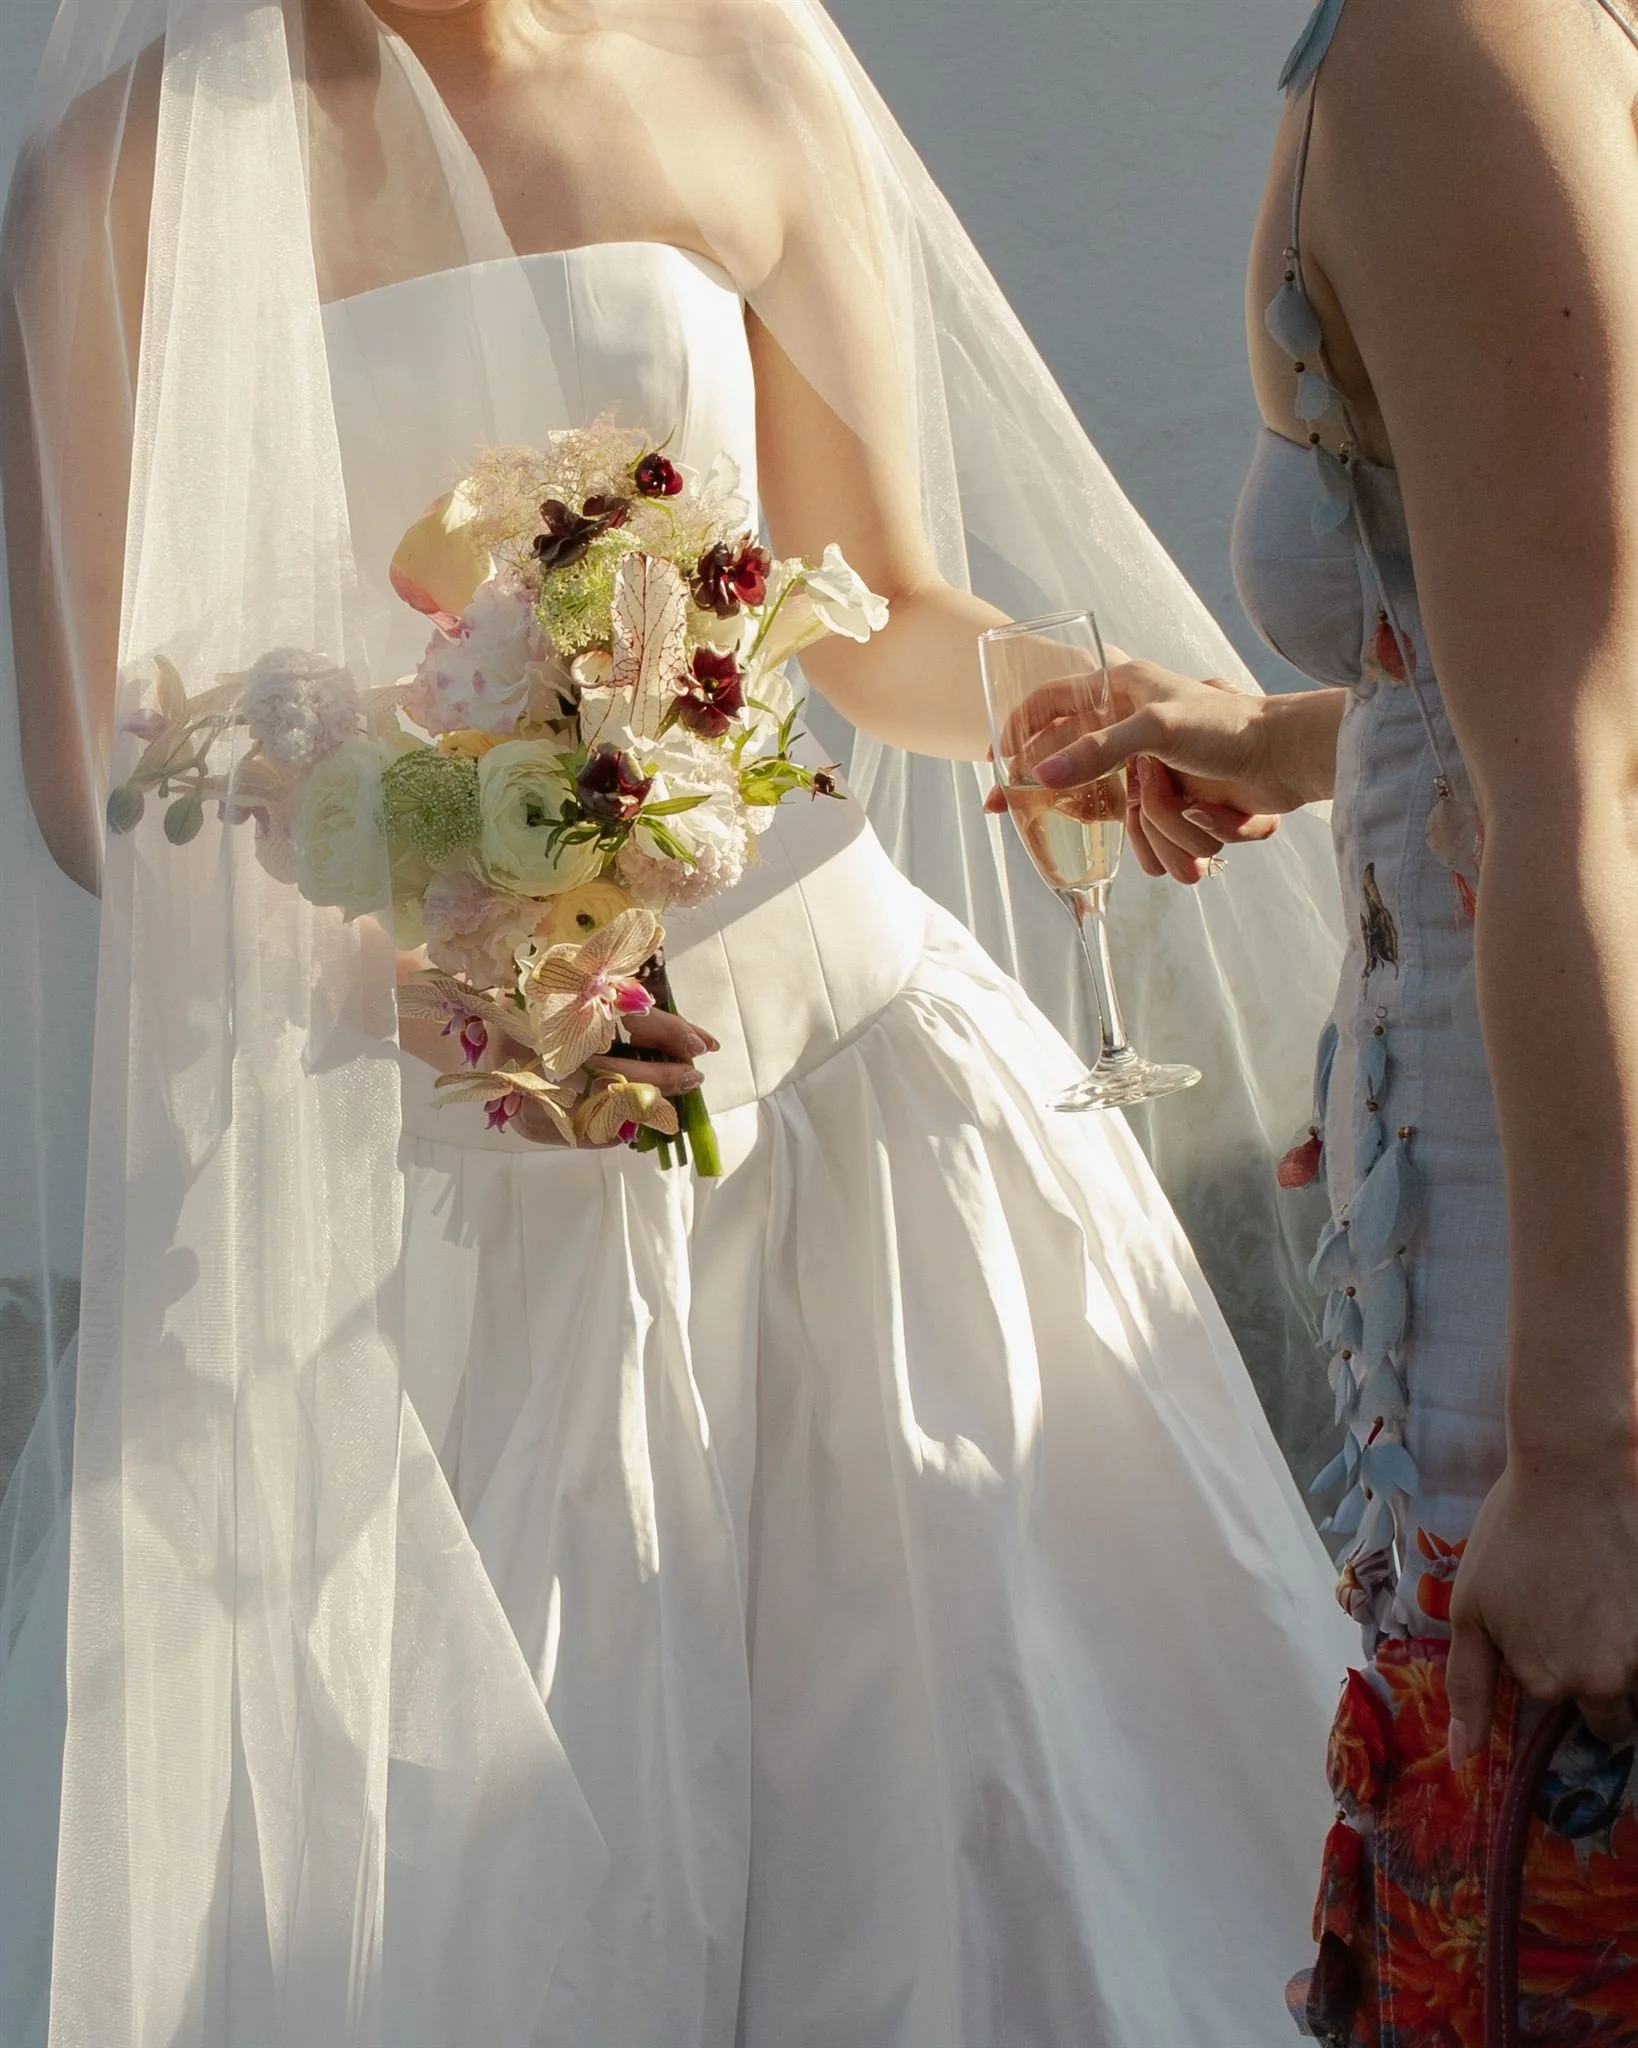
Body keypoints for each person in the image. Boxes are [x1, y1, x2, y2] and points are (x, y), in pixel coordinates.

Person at [0, 2, 1352, 2043]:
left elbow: (877, 612)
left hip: (852, 1096)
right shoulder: (125, 178)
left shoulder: (748, 66)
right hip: (449, 1179)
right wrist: (465, 986)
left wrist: (1077, 706)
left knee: (1026, 1819)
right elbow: (99, 767)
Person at [1007, 0, 1638, 2034]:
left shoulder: (1455, 47)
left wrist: (1580, 1454)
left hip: (1543, 1314)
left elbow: (1578, 782)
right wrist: (1289, 740)